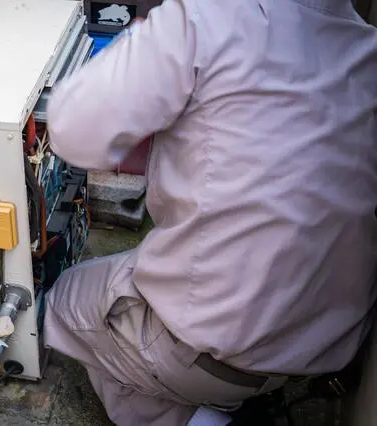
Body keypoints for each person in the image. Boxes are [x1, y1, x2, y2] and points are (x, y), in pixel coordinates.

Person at [43, 0, 377, 424]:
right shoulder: (365, 47)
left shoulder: (204, 17)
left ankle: (198, 415)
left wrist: (136, 43)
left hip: (211, 348)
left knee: (65, 303)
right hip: (322, 346)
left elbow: (71, 130)